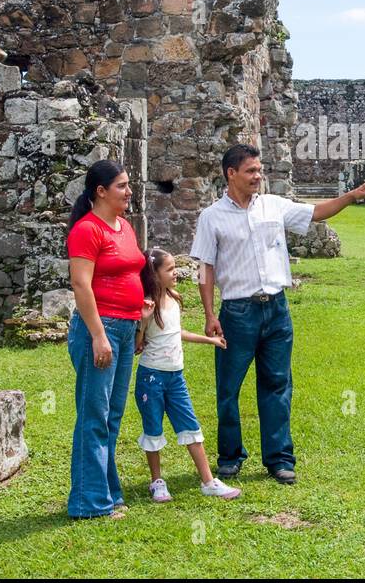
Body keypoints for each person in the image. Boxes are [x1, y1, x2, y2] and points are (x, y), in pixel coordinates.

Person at [190, 143, 365, 484]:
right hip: (237, 312)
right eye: (251, 170)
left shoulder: (273, 206)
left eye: (259, 169)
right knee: (229, 387)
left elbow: (317, 213)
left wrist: (351, 196)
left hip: (277, 309)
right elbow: (205, 269)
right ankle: (230, 456)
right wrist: (209, 315)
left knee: (278, 384)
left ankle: (279, 459)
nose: (258, 175)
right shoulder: (212, 217)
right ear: (231, 174)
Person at [65, 160, 145, 520]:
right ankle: (89, 502)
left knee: (112, 415)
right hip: (101, 330)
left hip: (126, 329)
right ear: (100, 191)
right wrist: (98, 335)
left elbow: (130, 270)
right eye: (122, 186)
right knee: (94, 415)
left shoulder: (125, 227)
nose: (129, 192)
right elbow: (81, 285)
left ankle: (109, 493)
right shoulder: (86, 230)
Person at [134, 247, 241, 502]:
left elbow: (176, 332)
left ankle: (208, 481)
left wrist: (209, 340)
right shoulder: (147, 305)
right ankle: (157, 482)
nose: (176, 273)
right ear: (154, 274)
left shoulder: (174, 298)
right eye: (169, 269)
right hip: (151, 377)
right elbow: (137, 347)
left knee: (191, 426)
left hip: (175, 378)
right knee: (153, 429)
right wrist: (143, 321)